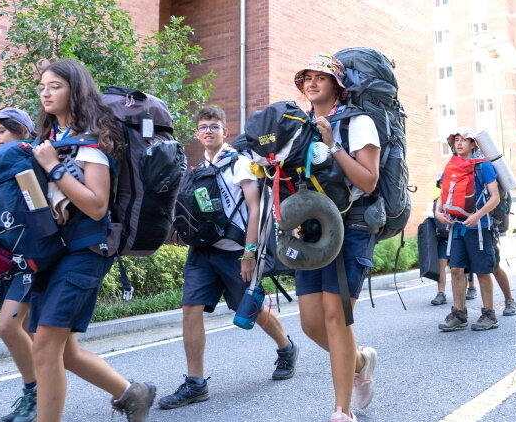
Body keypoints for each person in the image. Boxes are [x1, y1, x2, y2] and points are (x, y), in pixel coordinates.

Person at [28, 60, 154, 422]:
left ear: (75, 90)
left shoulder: (92, 141)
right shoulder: (51, 142)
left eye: (55, 86)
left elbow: (97, 206)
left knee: (44, 346)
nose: (45, 93)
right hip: (53, 249)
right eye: (42, 86)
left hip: (85, 249)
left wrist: (53, 167)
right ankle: (133, 393)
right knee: (63, 352)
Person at [158, 106, 298, 410]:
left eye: (214, 126)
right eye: (203, 126)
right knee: (190, 309)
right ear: (197, 133)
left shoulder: (241, 164)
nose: (208, 130)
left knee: (253, 309)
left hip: (236, 253)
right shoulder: (196, 170)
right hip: (203, 253)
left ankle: (286, 348)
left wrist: (249, 253)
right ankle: (195, 382)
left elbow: (254, 209)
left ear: (225, 132)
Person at [292, 54, 380, 422]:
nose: (312, 83)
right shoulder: (299, 125)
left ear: (336, 85)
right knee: (310, 323)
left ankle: (341, 411)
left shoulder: (358, 122)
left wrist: (334, 144)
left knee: (335, 318)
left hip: (352, 225)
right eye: (307, 78)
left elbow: (368, 181)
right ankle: (360, 361)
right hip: (311, 228)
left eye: (321, 78)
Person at [0, 108, 40, 422]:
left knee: (7, 327)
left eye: (1, 130)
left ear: (21, 131)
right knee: (33, 337)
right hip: (11, 262)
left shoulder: (28, 162)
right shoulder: (1, 171)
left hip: (32, 261)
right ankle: (38, 391)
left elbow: (40, 210)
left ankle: (35, 392)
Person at [434, 127, 502, 332]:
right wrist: (438, 211)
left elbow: (495, 197)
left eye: (464, 140)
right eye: (456, 140)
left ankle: (489, 314)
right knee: (456, 269)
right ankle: (459, 314)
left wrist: (477, 216)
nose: (459, 143)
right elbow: (445, 194)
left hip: (479, 227)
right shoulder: (451, 166)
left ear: (474, 144)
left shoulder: (483, 167)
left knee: (482, 271)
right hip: (456, 226)